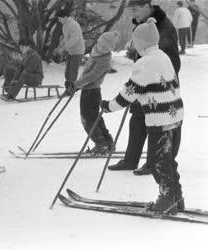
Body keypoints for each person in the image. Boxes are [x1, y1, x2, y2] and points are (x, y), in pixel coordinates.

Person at [101, 18, 184, 213]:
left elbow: (128, 94)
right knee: (168, 159)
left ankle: (167, 199)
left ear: (141, 43)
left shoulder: (144, 63)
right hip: (175, 116)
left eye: (134, 42)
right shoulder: (163, 56)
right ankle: (176, 195)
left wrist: (108, 106)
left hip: (160, 120)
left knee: (157, 163)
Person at [108, 0, 181, 176]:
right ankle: (130, 160)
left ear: (148, 6)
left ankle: (156, 163)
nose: (133, 14)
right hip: (144, 83)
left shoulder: (165, 27)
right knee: (137, 121)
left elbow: (169, 59)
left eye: (135, 10)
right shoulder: (145, 24)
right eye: (130, 11)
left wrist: (147, 65)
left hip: (160, 88)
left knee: (160, 125)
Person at [73, 31, 119, 154]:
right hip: (87, 90)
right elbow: (87, 72)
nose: (100, 47)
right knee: (94, 118)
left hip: (92, 92)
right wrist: (78, 84)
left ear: (108, 48)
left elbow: (92, 76)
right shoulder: (96, 52)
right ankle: (108, 142)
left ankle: (101, 143)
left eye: (104, 46)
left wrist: (77, 84)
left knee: (88, 120)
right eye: (99, 43)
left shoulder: (105, 60)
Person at [53, 9, 85, 95]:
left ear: (66, 17)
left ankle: (71, 89)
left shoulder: (74, 25)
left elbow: (74, 39)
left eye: (60, 18)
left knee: (73, 71)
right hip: (71, 51)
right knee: (67, 71)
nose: (59, 20)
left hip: (78, 51)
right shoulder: (65, 26)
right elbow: (66, 38)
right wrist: (59, 46)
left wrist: (64, 48)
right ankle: (68, 87)